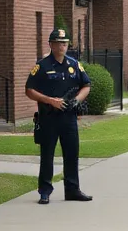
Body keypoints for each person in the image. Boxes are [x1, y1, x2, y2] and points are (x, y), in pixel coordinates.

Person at [25, 27, 93, 205]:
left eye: (65, 43)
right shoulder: (42, 66)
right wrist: (49, 100)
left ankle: (72, 189)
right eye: (58, 43)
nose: (62, 46)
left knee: (72, 154)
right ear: (51, 44)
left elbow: (86, 85)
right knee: (47, 155)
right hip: (49, 117)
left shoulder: (74, 64)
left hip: (69, 117)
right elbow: (29, 90)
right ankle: (45, 191)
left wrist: (77, 100)